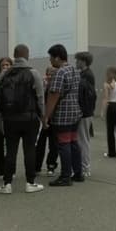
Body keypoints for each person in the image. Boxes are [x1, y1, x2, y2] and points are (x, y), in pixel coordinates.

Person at [0, 44, 45, 194]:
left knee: (10, 150)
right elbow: (40, 97)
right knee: (30, 149)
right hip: (30, 118)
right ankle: (30, 182)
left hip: (10, 119)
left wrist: (1, 113)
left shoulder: (5, 74)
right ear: (27, 55)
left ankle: (7, 184)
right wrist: (43, 116)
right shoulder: (34, 73)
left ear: (14, 55)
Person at [43, 44, 83, 186]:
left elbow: (54, 95)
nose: (50, 61)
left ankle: (65, 176)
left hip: (63, 114)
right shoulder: (74, 70)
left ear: (57, 57)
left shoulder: (60, 73)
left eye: (51, 57)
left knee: (63, 144)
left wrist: (46, 116)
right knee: (73, 142)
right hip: (75, 112)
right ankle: (78, 173)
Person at [75, 51, 96, 177]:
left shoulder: (86, 75)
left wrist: (82, 111)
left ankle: (85, 167)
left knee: (83, 140)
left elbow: (87, 96)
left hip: (84, 112)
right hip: (86, 112)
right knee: (83, 139)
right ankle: (84, 166)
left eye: (77, 60)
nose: (76, 62)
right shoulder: (85, 74)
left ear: (83, 61)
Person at [35, 66, 59, 175]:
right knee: (40, 144)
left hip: (54, 119)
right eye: (48, 74)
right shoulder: (43, 86)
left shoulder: (57, 87)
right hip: (42, 118)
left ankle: (51, 165)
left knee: (54, 145)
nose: (50, 76)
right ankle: (37, 167)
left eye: (52, 74)